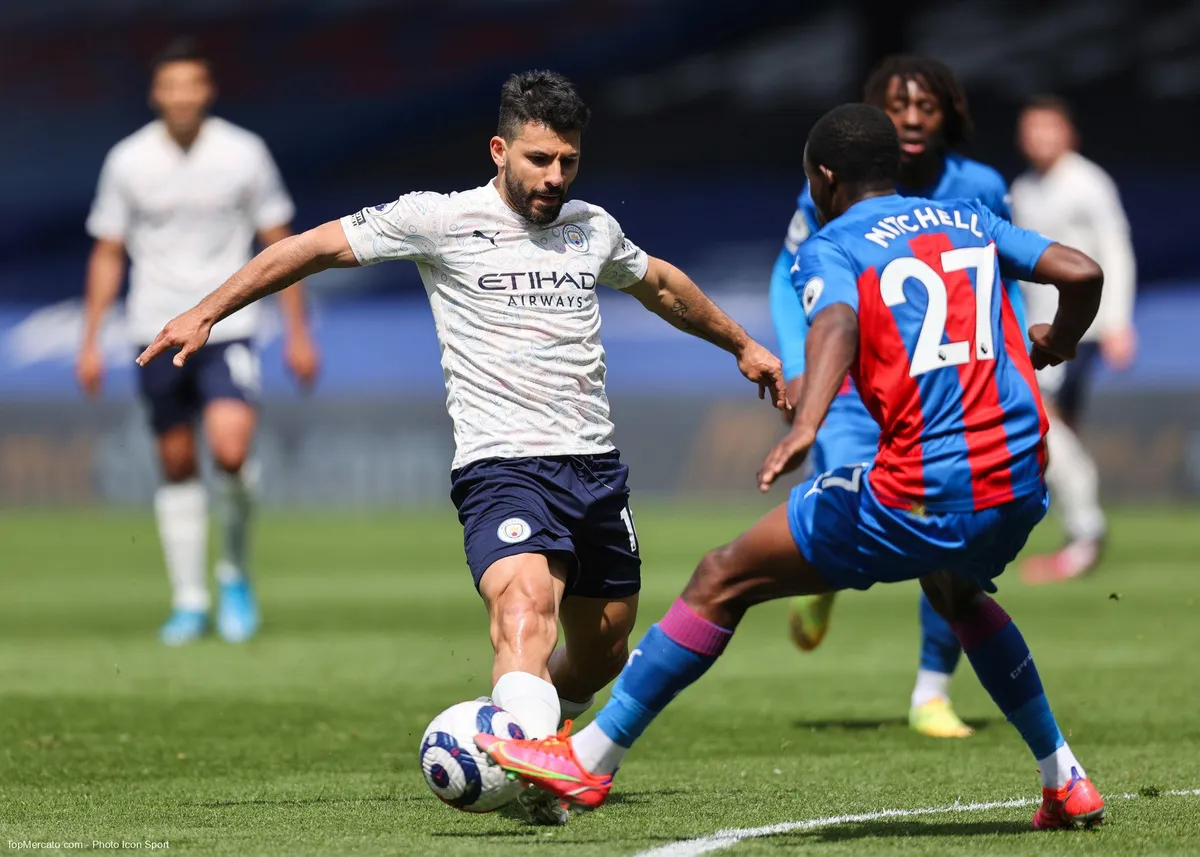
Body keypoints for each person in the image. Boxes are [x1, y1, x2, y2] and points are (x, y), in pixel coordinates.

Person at [134, 70, 785, 824]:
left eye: (568, 161)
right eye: (539, 159)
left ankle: (541, 730)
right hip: (500, 464)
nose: (554, 177)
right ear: (499, 148)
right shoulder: (436, 219)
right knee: (522, 610)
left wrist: (742, 344)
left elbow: (662, 285)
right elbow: (311, 247)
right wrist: (207, 311)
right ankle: (539, 765)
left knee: (606, 643)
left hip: (594, 467)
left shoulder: (591, 226)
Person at [478, 103, 1108, 832]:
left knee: (723, 575)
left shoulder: (831, 241)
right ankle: (1064, 779)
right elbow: (1081, 271)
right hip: (1023, 479)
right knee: (955, 589)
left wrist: (805, 425)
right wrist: (1056, 340)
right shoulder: (968, 219)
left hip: (926, 485)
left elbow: (835, 322)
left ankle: (587, 759)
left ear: (824, 178)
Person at [770, 55, 1025, 739]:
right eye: (896, 104)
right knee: (860, 499)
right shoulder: (835, 187)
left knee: (941, 527)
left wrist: (1022, 361)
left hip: (950, 386)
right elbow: (794, 274)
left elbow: (1004, 277)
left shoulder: (980, 188)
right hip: (858, 388)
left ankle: (931, 691)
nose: (911, 118)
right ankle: (821, 582)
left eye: (926, 106)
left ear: (950, 115)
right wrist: (799, 365)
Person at [78, 38, 319, 646]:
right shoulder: (128, 160)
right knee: (177, 461)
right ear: (157, 93)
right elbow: (108, 251)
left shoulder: (243, 153)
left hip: (229, 324)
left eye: (193, 84)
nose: (182, 95)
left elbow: (280, 243)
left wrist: (297, 331)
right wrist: (89, 340)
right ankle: (189, 600)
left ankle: (233, 573)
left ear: (207, 91)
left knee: (232, 452)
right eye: (171, 85)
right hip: (153, 326)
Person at [1011, 96, 1137, 583]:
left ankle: (1087, 530)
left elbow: (1115, 249)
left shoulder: (1087, 182)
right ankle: (1078, 527)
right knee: (1055, 426)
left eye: (1049, 128)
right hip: (1043, 326)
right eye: (1032, 130)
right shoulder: (1024, 188)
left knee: (1043, 420)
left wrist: (1120, 321)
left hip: (1086, 326)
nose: (1040, 138)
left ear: (1069, 134)